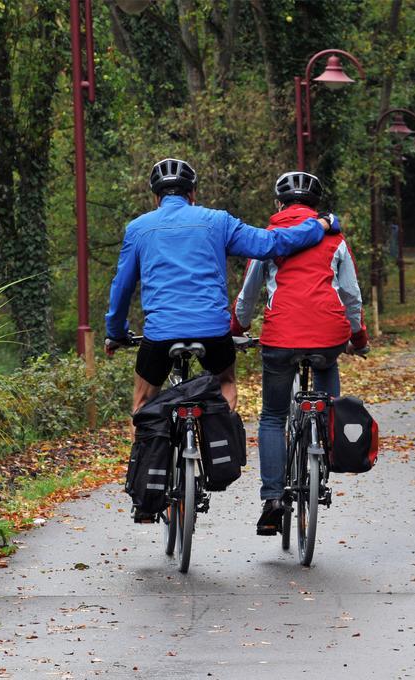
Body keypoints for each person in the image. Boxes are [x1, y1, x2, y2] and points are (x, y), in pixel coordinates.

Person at [104, 158, 339, 415]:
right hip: (212, 330)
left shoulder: (138, 229)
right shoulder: (218, 221)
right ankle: (222, 448)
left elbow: (122, 288)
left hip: (161, 332)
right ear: (192, 193)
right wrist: (318, 225)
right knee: (226, 385)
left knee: (142, 404)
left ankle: (143, 454)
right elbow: (270, 243)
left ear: (156, 198)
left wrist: (116, 332)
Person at [230, 170, 368, 535]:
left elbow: (247, 295)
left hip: (281, 337)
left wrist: (237, 328)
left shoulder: (268, 240)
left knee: (273, 416)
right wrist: (358, 337)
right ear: (315, 207)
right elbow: (351, 296)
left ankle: (273, 500)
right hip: (328, 336)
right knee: (327, 378)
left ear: (279, 204)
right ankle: (327, 432)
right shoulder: (335, 239)